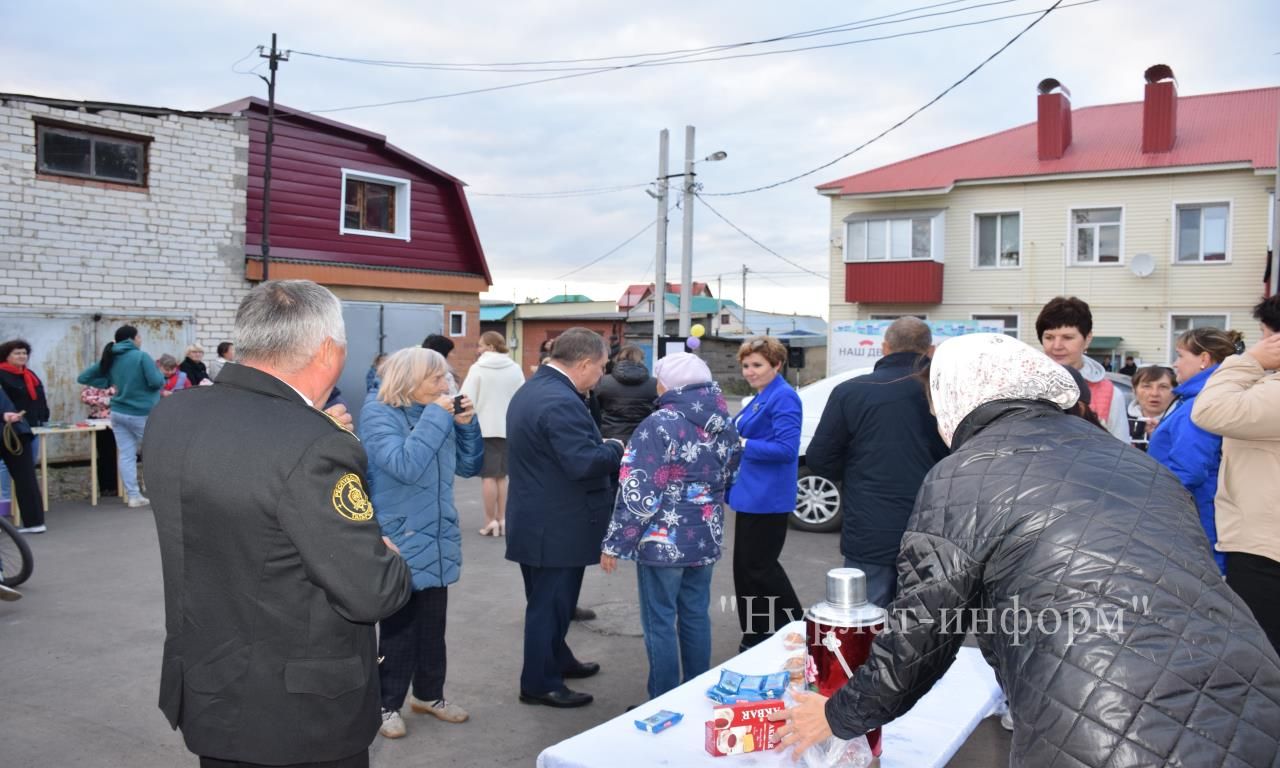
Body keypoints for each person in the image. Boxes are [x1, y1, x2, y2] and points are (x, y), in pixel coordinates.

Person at [770, 333, 1280, 766]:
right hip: (1255, 700)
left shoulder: (965, 473)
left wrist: (837, 713)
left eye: (935, 404)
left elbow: (922, 633)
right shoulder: (1136, 465)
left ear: (958, 397)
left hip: (1107, 722)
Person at [143, 280, 413, 768]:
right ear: (329, 351)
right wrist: (387, 553)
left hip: (209, 687)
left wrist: (309, 427)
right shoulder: (315, 445)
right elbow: (372, 591)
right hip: (299, 718)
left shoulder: (173, 413)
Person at [358, 347, 483, 739]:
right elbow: (405, 465)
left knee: (433, 626)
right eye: (436, 379)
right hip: (400, 537)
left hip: (438, 534)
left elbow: (468, 466)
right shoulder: (378, 413)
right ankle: (385, 704)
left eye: (446, 378)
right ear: (409, 381)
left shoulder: (438, 413)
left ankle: (429, 695)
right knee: (397, 630)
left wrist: (466, 425)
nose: (445, 386)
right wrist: (437, 417)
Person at [600, 353, 740, 699]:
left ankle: (662, 699)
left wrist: (615, 542)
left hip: (661, 543)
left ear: (672, 384)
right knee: (695, 614)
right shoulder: (724, 422)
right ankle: (696, 693)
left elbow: (638, 490)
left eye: (660, 378)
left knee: (660, 621)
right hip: (705, 537)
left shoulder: (658, 424)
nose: (657, 385)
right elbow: (732, 476)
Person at [506, 327, 624, 709]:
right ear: (585, 363)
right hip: (555, 524)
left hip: (542, 518)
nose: (601, 376)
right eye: (602, 367)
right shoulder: (558, 400)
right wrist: (614, 447)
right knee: (549, 606)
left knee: (553, 603)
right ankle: (539, 683)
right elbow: (583, 462)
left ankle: (557, 660)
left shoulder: (539, 387)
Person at [805, 318, 948, 607]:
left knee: (866, 619)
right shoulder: (945, 392)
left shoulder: (851, 392)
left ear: (884, 348)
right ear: (930, 350)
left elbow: (820, 460)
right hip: (932, 523)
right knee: (923, 622)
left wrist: (856, 472)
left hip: (869, 526)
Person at [1193, 294, 1280, 654]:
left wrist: (1246, 363)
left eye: (1265, 336)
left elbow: (1211, 410)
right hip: (1263, 539)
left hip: (1265, 547)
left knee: (1263, 658)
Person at [728, 336, 804, 650]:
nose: (749, 371)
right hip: (752, 495)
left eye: (757, 365)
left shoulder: (783, 397)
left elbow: (787, 449)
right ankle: (757, 634)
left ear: (776, 364)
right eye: (746, 365)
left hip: (767, 498)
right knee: (748, 571)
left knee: (760, 569)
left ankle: (798, 627)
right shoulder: (764, 395)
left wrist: (742, 444)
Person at [1148, 328, 1243, 575]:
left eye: (1180, 355)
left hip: (1191, 520)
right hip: (1195, 516)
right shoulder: (1203, 397)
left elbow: (1189, 470)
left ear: (1203, 359)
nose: (1175, 363)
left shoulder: (1200, 402)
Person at [77, 325, 164, 508]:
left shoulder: (111, 356)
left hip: (118, 413)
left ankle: (133, 496)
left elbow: (83, 377)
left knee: (126, 455)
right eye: (139, 336)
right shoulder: (141, 356)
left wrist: (108, 381)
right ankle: (163, 494)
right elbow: (156, 382)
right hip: (142, 413)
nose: (141, 340)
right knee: (158, 452)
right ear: (132, 339)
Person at [459, 331, 525, 537]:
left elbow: (465, 398)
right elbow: (522, 397)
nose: (478, 349)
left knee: (488, 476)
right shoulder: (515, 368)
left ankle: (489, 521)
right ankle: (503, 519)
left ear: (490, 346)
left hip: (485, 428)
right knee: (502, 476)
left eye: (480, 345)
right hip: (509, 428)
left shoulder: (478, 368)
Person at [1036, 296, 1129, 440]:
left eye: (1067, 338)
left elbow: (1122, 451)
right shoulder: (1026, 386)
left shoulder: (1110, 394)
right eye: (1049, 337)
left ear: (1087, 339)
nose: (1057, 346)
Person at [0, 340, 50, 531]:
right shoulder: (3, 374)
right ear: (7, 356)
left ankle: (35, 522)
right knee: (7, 471)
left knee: (26, 473)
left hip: (23, 429)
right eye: (17, 353)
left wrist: (43, 417)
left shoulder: (30, 375)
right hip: (9, 428)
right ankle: (5, 507)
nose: (21, 356)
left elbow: (39, 398)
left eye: (24, 353)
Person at [0, 383, 43, 534]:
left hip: (14, 431)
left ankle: (34, 522)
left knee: (25, 477)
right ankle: (35, 522)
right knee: (26, 477)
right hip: (17, 430)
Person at [595, 344, 659, 443]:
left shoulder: (602, 382)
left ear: (618, 358)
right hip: (644, 436)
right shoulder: (654, 383)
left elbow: (595, 410)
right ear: (642, 360)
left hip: (609, 436)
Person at [80, 384, 119, 496]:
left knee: (120, 455)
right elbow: (85, 397)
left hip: (118, 420)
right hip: (97, 421)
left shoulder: (120, 377)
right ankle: (106, 487)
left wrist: (102, 399)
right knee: (104, 454)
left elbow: (126, 397)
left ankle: (120, 487)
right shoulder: (94, 380)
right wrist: (107, 400)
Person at [1127, 365, 1177, 451]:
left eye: (1163, 387)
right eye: (1147, 386)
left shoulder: (1183, 423)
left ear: (1175, 392)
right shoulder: (1121, 420)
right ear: (1134, 390)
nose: (1154, 393)